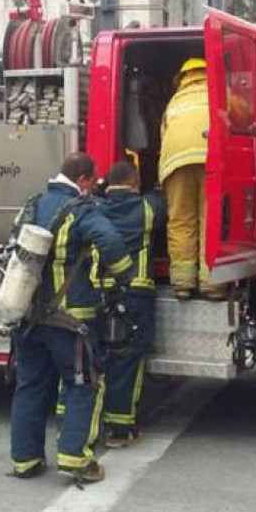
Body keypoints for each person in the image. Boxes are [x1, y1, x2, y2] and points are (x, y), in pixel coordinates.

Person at [9, 153, 132, 485]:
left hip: (28, 317)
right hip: (70, 320)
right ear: (83, 180)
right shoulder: (80, 211)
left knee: (31, 385)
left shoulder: (31, 205)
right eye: (92, 182)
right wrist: (124, 276)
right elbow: (109, 239)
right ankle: (75, 459)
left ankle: (26, 459)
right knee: (83, 384)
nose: (92, 189)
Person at [95, 161, 165, 448]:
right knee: (128, 359)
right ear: (136, 182)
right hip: (135, 294)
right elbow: (164, 199)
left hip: (100, 294)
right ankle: (120, 428)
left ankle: (95, 421)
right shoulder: (148, 208)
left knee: (101, 358)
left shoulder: (95, 209)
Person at [158, 58, 226, 301]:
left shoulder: (174, 102)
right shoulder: (220, 96)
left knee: (180, 220)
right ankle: (212, 283)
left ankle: (183, 284)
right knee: (210, 219)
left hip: (176, 164)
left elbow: (164, 137)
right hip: (211, 161)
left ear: (184, 78)